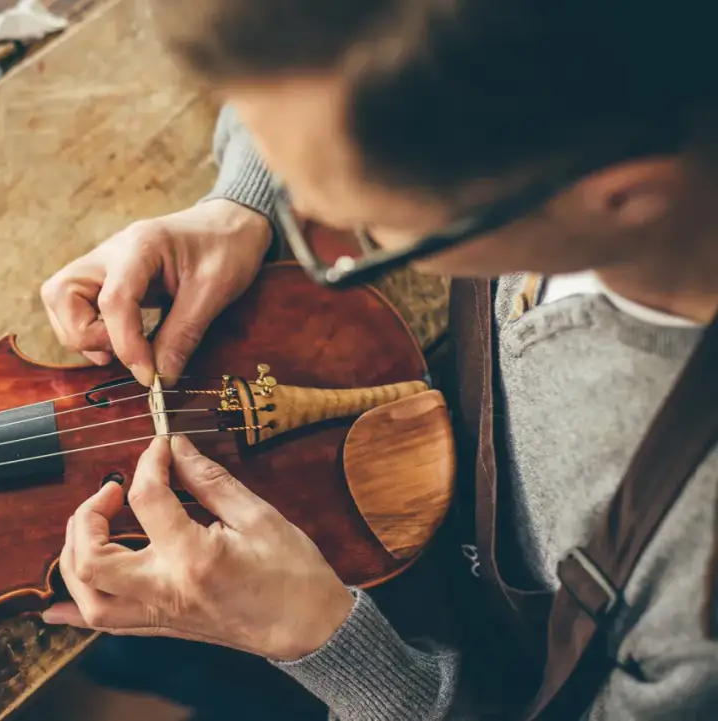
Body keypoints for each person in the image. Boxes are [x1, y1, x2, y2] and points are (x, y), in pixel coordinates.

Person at [38, 1, 718, 719]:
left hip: (449, 675)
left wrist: (321, 643)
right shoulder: (550, 108)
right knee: (135, 645)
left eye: (366, 224)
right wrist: (244, 202)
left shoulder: (696, 588)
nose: (327, 232)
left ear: (625, 200)